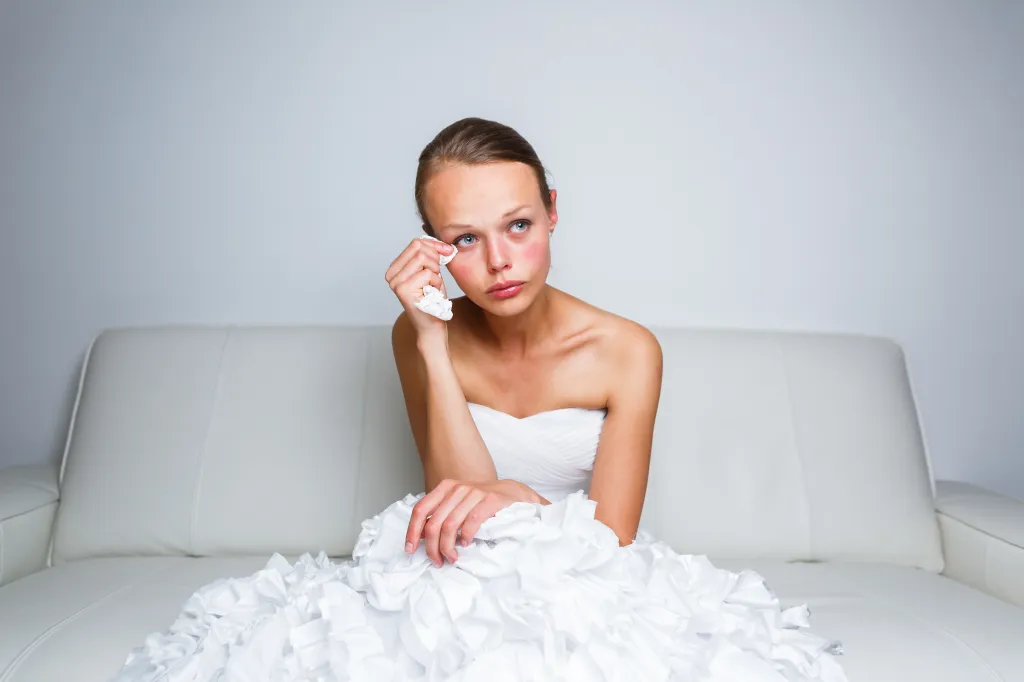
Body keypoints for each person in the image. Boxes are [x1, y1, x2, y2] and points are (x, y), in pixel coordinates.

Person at [113, 118, 847, 682]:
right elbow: (453, 499)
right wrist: (430, 341)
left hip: (583, 576)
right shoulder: (418, 335)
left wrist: (520, 495)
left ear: (553, 211)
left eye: (519, 226)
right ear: (432, 246)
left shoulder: (627, 350)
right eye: (465, 239)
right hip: (454, 563)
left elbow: (612, 540)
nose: (499, 262)